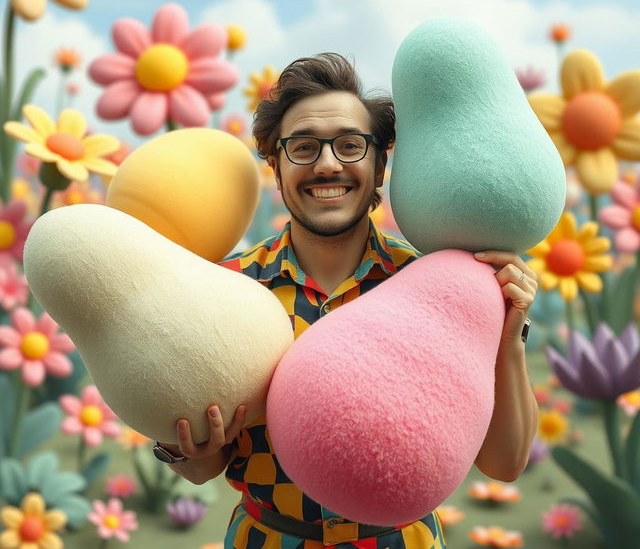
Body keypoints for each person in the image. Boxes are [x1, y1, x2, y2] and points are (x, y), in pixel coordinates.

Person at [155, 53, 540, 549]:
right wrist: (185, 445)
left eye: (351, 145)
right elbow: (204, 469)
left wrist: (510, 333)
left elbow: (505, 464)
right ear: (276, 166)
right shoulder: (228, 287)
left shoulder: (437, 286)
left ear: (381, 164)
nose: (328, 164)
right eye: (303, 147)